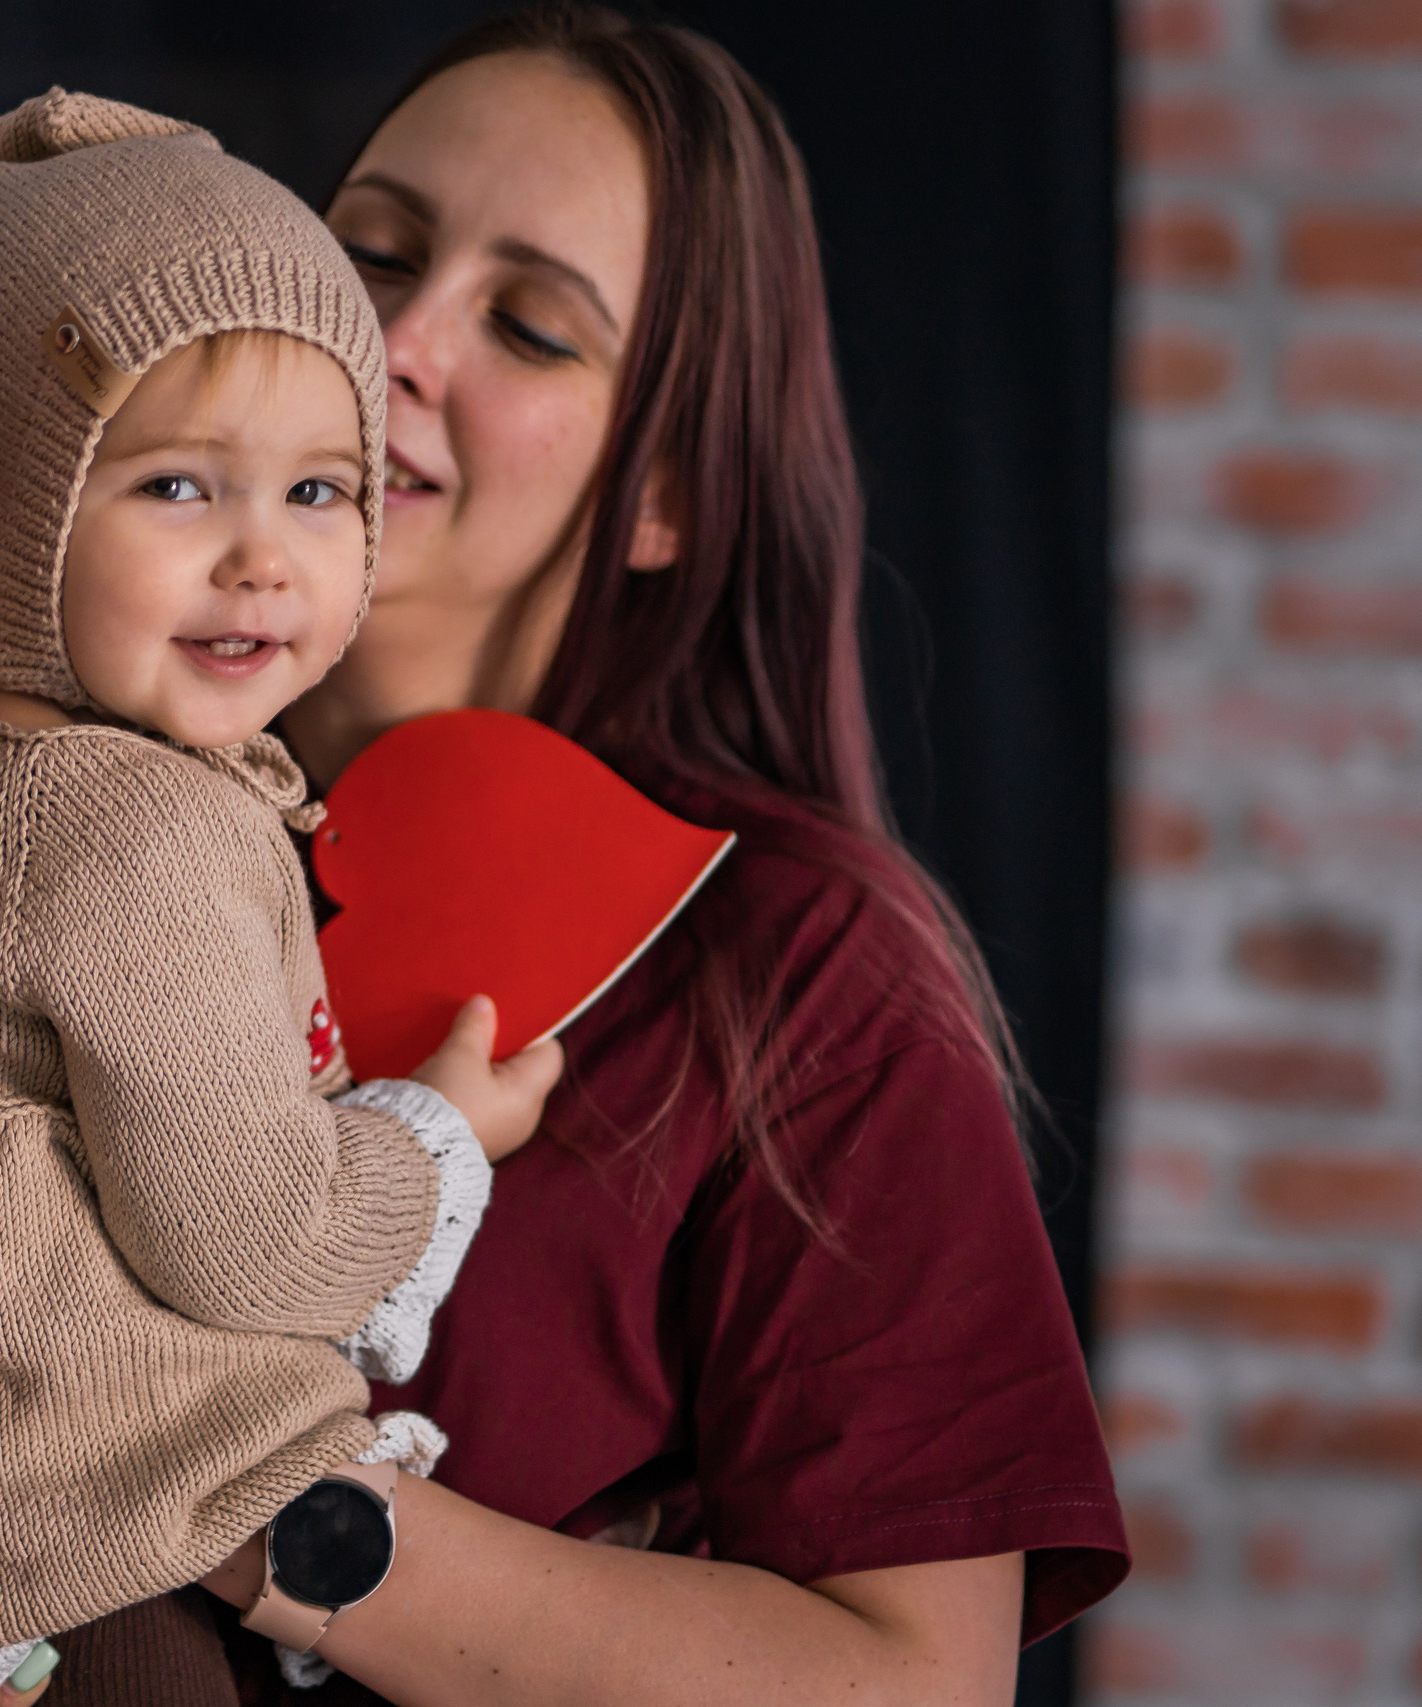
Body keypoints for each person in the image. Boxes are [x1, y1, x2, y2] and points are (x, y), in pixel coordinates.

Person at [181, 7, 1130, 1703]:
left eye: (530, 327)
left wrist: (262, 1515)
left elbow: (919, 1684)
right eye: (370, 250)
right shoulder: (31, 791)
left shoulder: (809, 974)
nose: (394, 337)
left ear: (668, 490)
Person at [0, 91, 559, 1707]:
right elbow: (250, 1244)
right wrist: (437, 1136)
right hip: (52, 1549)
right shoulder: (126, 837)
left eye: (322, 494)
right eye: (181, 488)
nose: (262, 559)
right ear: (6, 507)